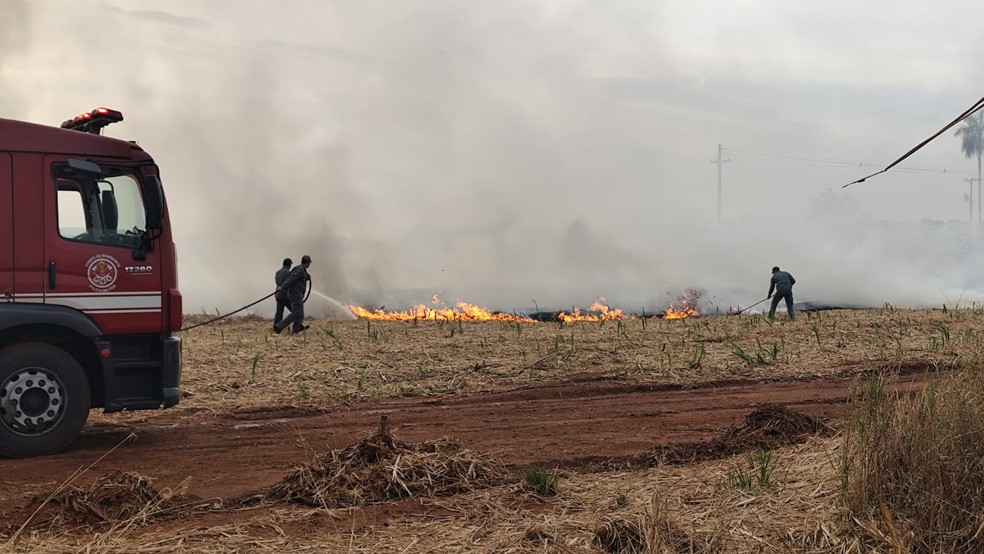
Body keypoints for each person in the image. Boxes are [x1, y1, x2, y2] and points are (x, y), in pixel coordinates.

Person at [274, 254, 312, 334]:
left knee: (298, 313)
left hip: (284, 295)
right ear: (308, 263)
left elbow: (297, 280)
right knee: (296, 313)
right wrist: (282, 287)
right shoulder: (299, 269)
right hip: (295, 294)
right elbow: (291, 279)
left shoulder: (300, 270)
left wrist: (306, 278)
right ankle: (279, 326)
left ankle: (297, 328)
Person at [273, 258, 293, 327]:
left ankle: (276, 326)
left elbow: (277, 283)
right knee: (295, 311)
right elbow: (291, 283)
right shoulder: (289, 273)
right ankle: (297, 325)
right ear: (289, 265)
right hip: (286, 296)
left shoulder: (277, 272)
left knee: (279, 312)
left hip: (278, 295)